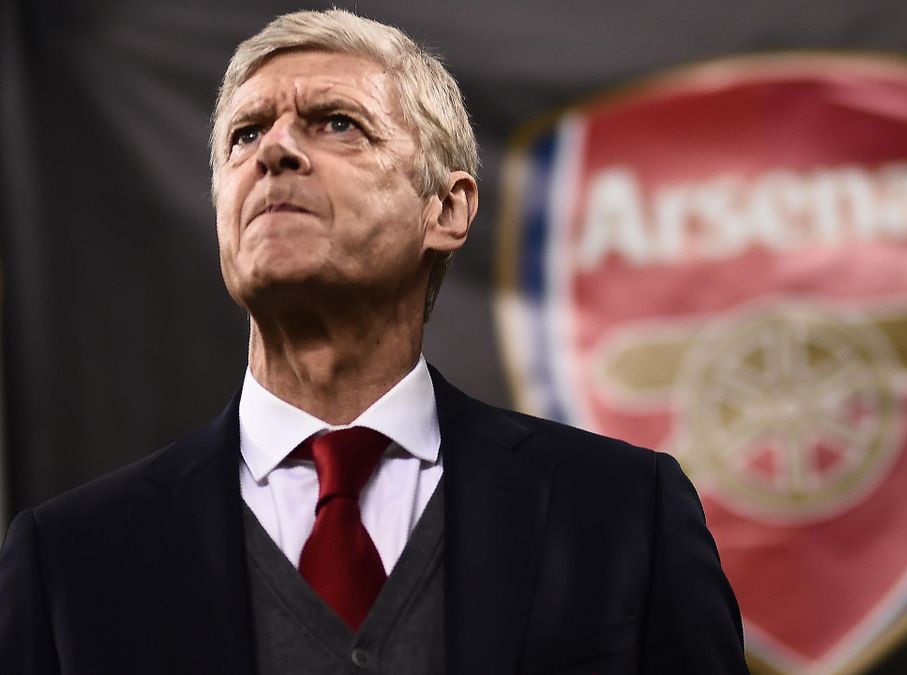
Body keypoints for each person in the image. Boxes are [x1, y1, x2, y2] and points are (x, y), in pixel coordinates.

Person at [0, 9, 747, 674]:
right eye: (245, 134)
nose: (274, 151)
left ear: (447, 209)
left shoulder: (624, 516)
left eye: (335, 123)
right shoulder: (67, 559)